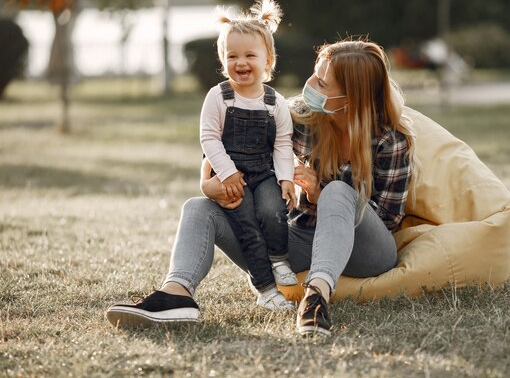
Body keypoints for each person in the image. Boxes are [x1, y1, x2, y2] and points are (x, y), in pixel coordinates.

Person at [106, 38, 418, 337]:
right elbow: (232, 150)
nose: (310, 85)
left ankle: (316, 298)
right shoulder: (299, 119)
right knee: (197, 208)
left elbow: (389, 219)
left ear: (350, 98)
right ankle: (176, 293)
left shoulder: (390, 142)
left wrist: (322, 195)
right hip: (299, 238)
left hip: (366, 251)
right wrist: (208, 183)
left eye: (322, 84)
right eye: (315, 74)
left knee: (337, 190)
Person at [199, 0, 298, 311]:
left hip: (264, 173)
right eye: (232, 56)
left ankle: (279, 259)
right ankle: (267, 290)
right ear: (223, 59)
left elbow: (283, 144)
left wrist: (285, 179)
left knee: (272, 212)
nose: (240, 63)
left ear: (268, 60)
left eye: (249, 55)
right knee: (249, 230)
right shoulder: (219, 97)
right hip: (231, 179)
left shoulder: (275, 102)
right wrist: (226, 173)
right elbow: (209, 138)